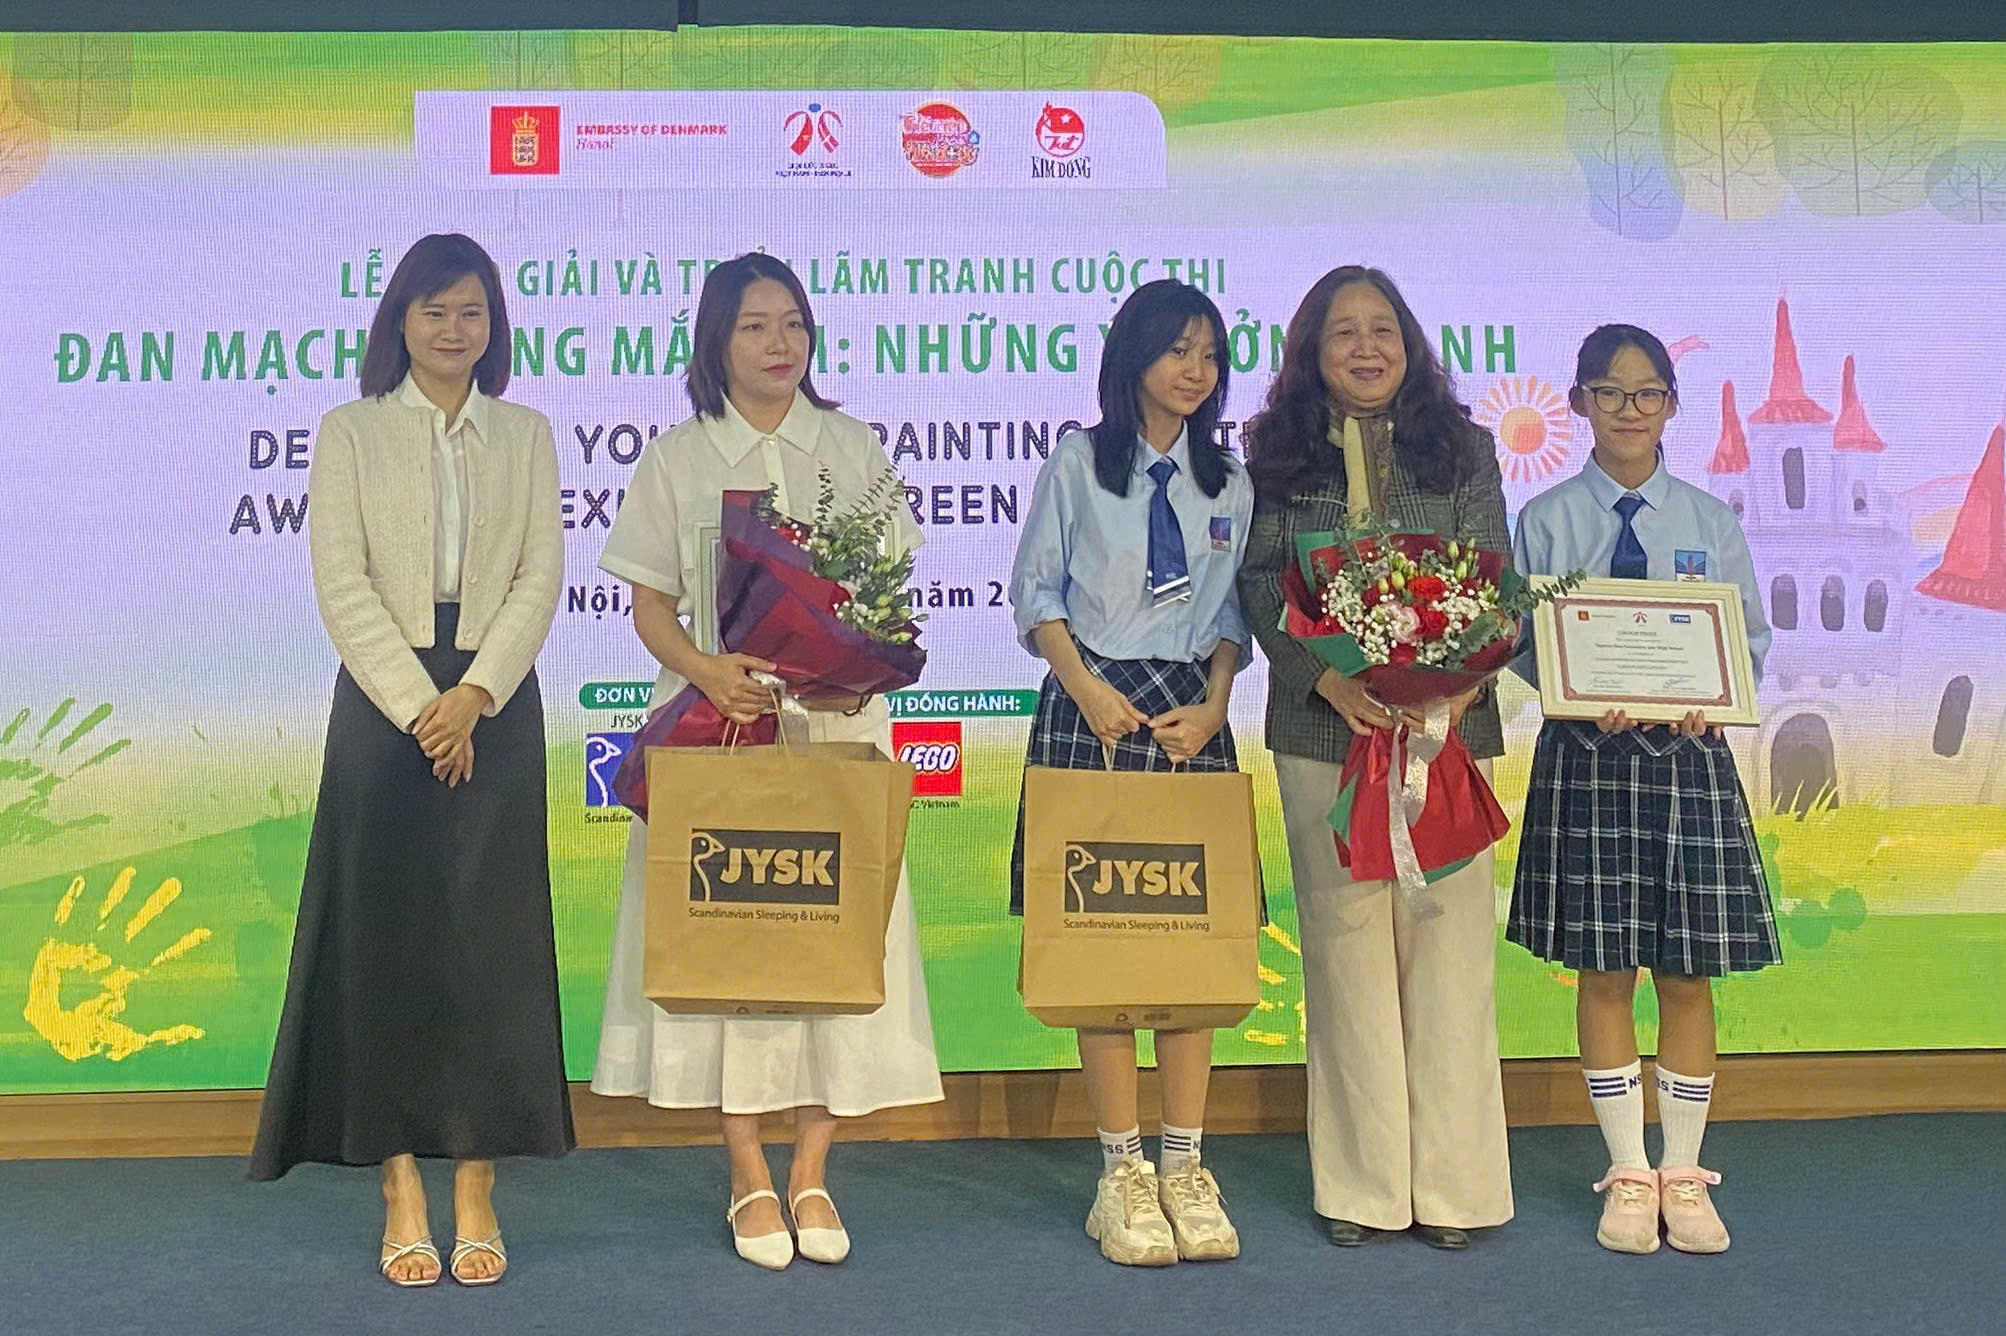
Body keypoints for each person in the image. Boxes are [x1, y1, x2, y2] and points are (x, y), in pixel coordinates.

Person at [590, 253, 942, 1271]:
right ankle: (747, 1167)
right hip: (720, 725)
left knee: (836, 939)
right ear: (716, 340)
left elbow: (887, 596)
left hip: (836, 725)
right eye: (753, 325)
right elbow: (651, 601)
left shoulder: (852, 446)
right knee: (732, 941)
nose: (778, 342)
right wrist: (708, 671)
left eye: (792, 322)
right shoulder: (679, 456)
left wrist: (851, 673)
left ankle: (813, 1169)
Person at [250, 233, 572, 1288]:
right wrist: (421, 708)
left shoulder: (525, 434)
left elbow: (540, 576)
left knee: (488, 946)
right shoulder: (351, 432)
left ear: (493, 325)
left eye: (471, 311)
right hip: (384, 705)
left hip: (495, 700)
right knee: (383, 943)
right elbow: (341, 582)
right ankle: (399, 1183)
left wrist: (474, 695)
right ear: (400, 320)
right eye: (434, 311)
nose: (452, 329)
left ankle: (476, 1181)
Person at [1236, 265, 1513, 1250]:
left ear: (1409, 344)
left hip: (1446, 737)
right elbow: (1261, 583)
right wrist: (1329, 677)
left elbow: (1493, 583)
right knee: (1346, 955)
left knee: (1450, 959)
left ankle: (1455, 1192)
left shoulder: (1463, 450)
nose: (1365, 347)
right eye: (1343, 331)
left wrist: (1455, 683)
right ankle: (1362, 1189)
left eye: (1382, 329)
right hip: (1327, 735)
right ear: (1312, 353)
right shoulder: (1276, 455)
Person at [1508, 323, 1780, 1256]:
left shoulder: (1709, 521)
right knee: (1603, 968)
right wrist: (1578, 689)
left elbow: (1748, 642)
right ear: (1578, 402)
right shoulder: (1546, 518)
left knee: (1688, 972)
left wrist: (1712, 697)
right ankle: (1629, 1170)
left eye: (1649, 393)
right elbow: (1525, 643)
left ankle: (1685, 1173)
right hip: (1587, 759)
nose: (1630, 410)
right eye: (1611, 393)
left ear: (1671, 404)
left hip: (1689, 759)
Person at [1008, 279, 1255, 1266]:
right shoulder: (1079, 461)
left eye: (1209, 354)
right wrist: (1085, 690)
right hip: (1091, 707)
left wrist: (1217, 703)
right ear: (1132, 357)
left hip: (1189, 716)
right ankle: (1120, 1172)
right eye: (1175, 350)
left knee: (1190, 946)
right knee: (1102, 945)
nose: (1194, 370)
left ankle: (1185, 1163)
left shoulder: (1228, 481)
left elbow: (1228, 617)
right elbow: (1035, 593)